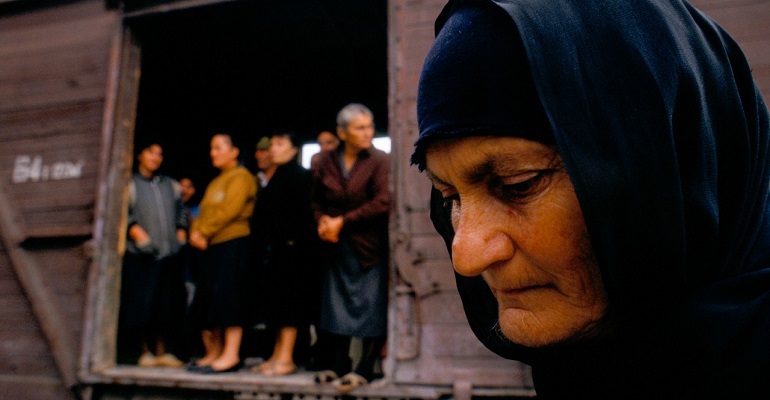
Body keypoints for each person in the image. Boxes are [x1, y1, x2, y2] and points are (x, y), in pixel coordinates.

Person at [411, 0, 770, 398]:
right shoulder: (584, 370)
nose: (466, 256)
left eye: (520, 185)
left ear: (676, 165)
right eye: (449, 196)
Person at [311, 103, 391, 391]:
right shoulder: (324, 161)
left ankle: (365, 367)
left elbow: (383, 201)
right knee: (335, 307)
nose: (367, 132)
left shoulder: (380, 160)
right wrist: (323, 223)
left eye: (369, 126)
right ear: (342, 132)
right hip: (335, 246)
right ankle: (338, 363)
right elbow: (316, 200)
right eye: (360, 127)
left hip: (368, 246)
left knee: (371, 307)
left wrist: (341, 221)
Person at [188, 133, 257, 373]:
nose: (213, 153)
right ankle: (213, 353)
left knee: (231, 299)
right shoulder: (217, 180)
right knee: (212, 299)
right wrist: (195, 232)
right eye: (211, 148)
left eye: (218, 148)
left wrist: (203, 232)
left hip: (233, 244)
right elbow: (202, 213)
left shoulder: (242, 177)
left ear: (234, 151)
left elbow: (230, 210)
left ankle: (231, 355)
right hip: (212, 247)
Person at [250, 132, 317, 376]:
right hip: (276, 252)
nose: (273, 149)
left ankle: (287, 358)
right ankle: (277, 355)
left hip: (293, 252)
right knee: (276, 306)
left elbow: (304, 217)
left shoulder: (299, 176)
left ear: (293, 150)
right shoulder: (276, 177)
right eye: (272, 144)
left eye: (280, 144)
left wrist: (292, 243)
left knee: (290, 306)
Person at [118, 141, 188, 368]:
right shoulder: (130, 184)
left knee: (165, 307)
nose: (156, 158)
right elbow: (121, 214)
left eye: (160, 154)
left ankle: (162, 351)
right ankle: (143, 352)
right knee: (140, 306)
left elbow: (182, 213)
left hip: (168, 257)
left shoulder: (171, 185)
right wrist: (136, 233)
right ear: (140, 154)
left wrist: (180, 233)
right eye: (151, 152)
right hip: (141, 256)